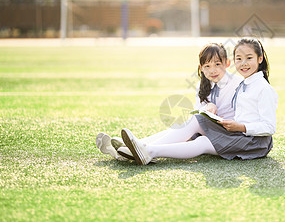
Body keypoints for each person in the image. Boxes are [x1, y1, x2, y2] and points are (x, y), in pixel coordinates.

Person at [121, 38, 278, 165]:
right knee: (197, 125)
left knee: (201, 139)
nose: (243, 63)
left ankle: (148, 150)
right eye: (239, 59)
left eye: (249, 58)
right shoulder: (246, 83)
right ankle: (138, 147)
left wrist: (240, 126)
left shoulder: (260, 88)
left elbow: (269, 127)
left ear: (260, 58)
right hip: (238, 133)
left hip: (254, 143)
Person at [95, 43, 243, 161]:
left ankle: (141, 148)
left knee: (192, 123)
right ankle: (130, 149)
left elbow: (243, 116)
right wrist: (207, 107)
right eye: (207, 66)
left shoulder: (237, 83)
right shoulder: (203, 85)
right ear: (201, 68)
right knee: (182, 127)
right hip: (210, 131)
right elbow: (200, 113)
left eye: (217, 64)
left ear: (227, 63)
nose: (213, 70)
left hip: (228, 133)